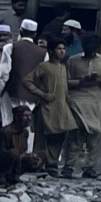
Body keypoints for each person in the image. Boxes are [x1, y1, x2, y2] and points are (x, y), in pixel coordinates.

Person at [27, 41, 82, 176]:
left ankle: (52, 163)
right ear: (51, 51)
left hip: (62, 107)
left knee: (59, 136)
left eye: (64, 48)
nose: (62, 51)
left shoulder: (63, 67)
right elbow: (27, 81)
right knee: (42, 138)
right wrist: (42, 94)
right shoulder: (43, 67)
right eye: (59, 48)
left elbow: (65, 86)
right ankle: (38, 163)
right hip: (46, 107)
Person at [0, 18, 47, 156]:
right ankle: (26, 153)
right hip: (31, 95)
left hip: (12, 92)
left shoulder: (10, 47)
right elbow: (43, 76)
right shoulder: (43, 53)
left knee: (8, 121)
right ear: (35, 34)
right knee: (27, 122)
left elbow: (4, 73)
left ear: (20, 31)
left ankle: (8, 151)